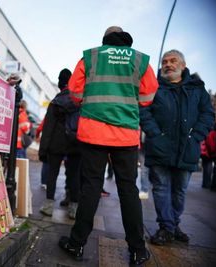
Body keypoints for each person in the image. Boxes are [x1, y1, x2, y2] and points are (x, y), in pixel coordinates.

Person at [58, 26, 158, 265]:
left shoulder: (91, 56)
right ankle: (137, 250)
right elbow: (148, 96)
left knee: (91, 186)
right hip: (125, 135)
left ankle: (77, 244)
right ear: (124, 38)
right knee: (128, 189)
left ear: (105, 39)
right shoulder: (140, 60)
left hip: (93, 132)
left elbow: (74, 92)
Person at [140, 49, 214, 246]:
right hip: (160, 146)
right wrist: (155, 133)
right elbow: (143, 110)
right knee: (161, 188)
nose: (168, 64)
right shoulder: (153, 86)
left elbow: (207, 114)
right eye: (164, 61)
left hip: (187, 148)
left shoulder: (197, 88)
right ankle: (166, 227)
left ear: (183, 65)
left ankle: (172, 224)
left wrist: (196, 135)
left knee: (179, 190)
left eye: (173, 61)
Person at [39, 68, 81, 219]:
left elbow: (48, 128)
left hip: (56, 144)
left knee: (52, 174)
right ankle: (74, 208)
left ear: (60, 82)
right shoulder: (79, 100)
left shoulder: (55, 102)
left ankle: (49, 206)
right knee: (74, 175)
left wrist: (43, 150)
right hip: (75, 144)